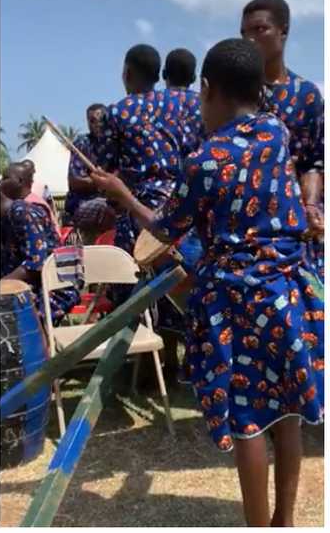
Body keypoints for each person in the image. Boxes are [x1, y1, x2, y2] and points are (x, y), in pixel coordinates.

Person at [91, 38, 323, 527]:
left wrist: (122, 193)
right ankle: (284, 520)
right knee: (288, 416)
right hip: (288, 292)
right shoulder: (276, 132)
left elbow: (163, 228)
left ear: (208, 89)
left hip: (238, 303)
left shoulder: (206, 160)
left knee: (250, 423)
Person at [241, 0, 324, 279]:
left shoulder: (306, 95)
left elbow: (314, 162)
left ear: (283, 31)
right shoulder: (236, 96)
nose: (250, 40)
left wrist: (311, 206)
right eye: (244, 33)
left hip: (295, 227)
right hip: (245, 226)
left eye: (259, 30)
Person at [96, 44, 182, 255]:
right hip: (179, 205)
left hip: (139, 211)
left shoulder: (117, 111)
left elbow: (106, 167)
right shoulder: (176, 105)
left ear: (127, 73)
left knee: (131, 278)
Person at [1, 174, 79, 323]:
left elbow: (36, 264)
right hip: (26, 285)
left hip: (51, 288)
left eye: (5, 177)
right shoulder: (4, 220)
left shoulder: (23, 212)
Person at [64, 104, 116, 239]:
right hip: (83, 204)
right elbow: (74, 181)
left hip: (110, 199)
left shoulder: (114, 143)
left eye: (101, 120)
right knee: (105, 206)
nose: (97, 124)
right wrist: (100, 182)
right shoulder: (82, 143)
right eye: (92, 121)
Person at [163, 47, 205, 158]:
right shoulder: (207, 105)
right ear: (194, 78)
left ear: (163, 74)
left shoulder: (148, 104)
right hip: (195, 172)